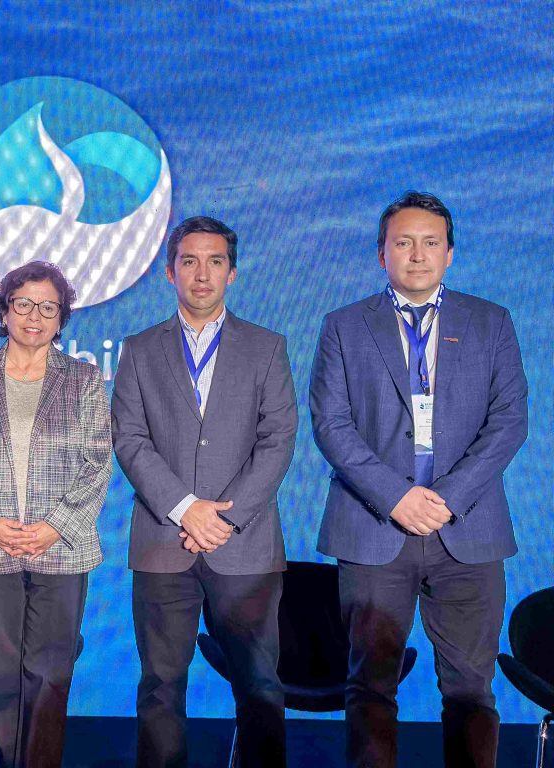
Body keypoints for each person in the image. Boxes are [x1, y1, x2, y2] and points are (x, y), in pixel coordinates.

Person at [310, 191, 528, 768]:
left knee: (471, 688)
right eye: (402, 242)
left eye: (431, 242)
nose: (417, 254)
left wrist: (447, 499)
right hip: (374, 529)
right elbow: (331, 425)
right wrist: (396, 497)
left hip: (469, 531)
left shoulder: (491, 322)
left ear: (450, 253)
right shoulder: (344, 326)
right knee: (370, 686)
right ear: (380, 253)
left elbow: (509, 421)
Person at [112, 216, 297, 768]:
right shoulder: (139, 349)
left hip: (245, 547)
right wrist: (185, 509)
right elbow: (129, 438)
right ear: (170, 272)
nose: (202, 274)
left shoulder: (267, 347)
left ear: (232, 273)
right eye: (189, 261)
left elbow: (278, 439)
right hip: (163, 543)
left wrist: (223, 519)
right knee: (160, 688)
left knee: (260, 688)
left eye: (215, 262)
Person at [0, 260, 112, 768]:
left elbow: (98, 462)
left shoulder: (84, 379)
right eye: (24, 304)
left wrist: (55, 526)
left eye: (48, 308)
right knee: (5, 673)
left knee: (51, 672)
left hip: (62, 546)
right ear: (5, 311)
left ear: (61, 319)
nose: (35, 316)